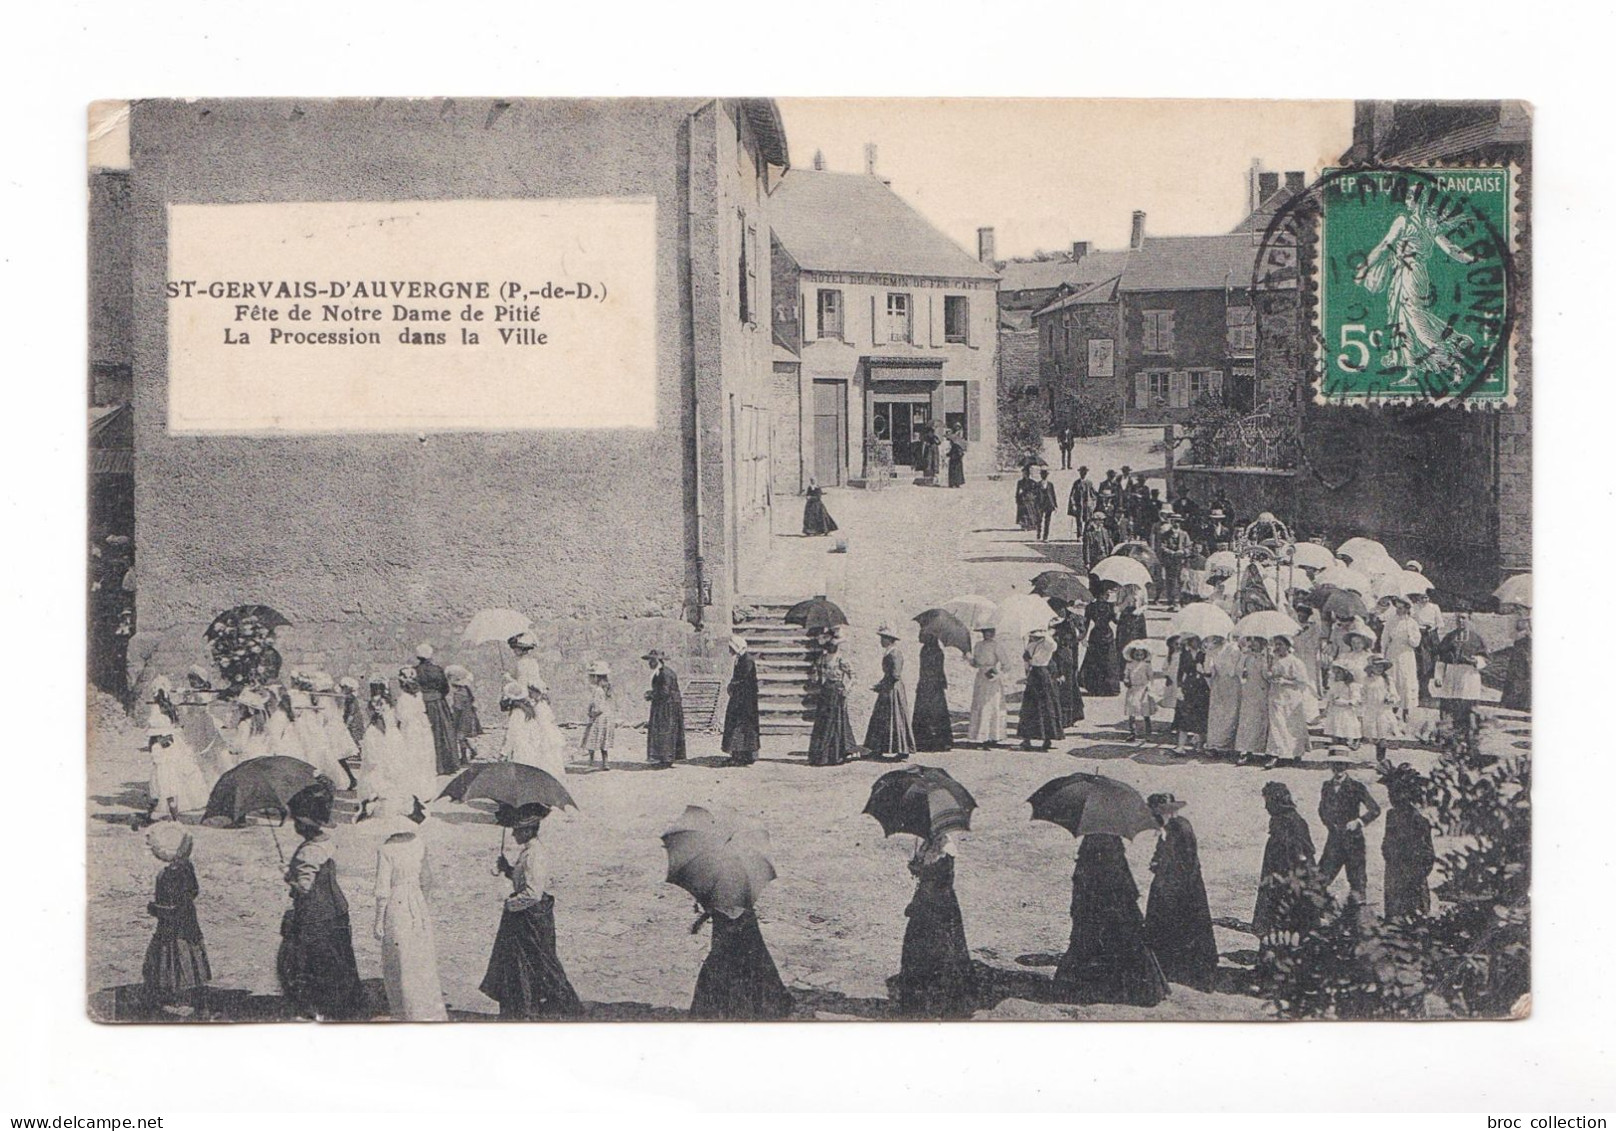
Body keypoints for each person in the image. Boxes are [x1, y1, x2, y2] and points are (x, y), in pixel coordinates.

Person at [479, 804, 583, 1019]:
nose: (514, 834)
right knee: (520, 963)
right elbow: (523, 881)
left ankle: (556, 1007)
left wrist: (510, 904)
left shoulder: (535, 855)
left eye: (517, 830)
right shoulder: (528, 851)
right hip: (526, 914)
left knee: (539, 962)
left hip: (531, 917)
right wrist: (508, 869)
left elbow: (533, 893)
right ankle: (524, 1008)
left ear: (527, 831)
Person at [276, 782, 366, 1020]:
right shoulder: (327, 842)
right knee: (339, 956)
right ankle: (345, 1001)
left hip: (314, 915)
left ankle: (317, 1005)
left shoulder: (307, 852)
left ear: (304, 824)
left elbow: (304, 887)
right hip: (336, 909)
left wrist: (289, 875)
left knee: (310, 959)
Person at [1051, 834, 1170, 1007]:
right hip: (1115, 905)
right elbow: (1122, 876)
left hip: (1097, 906)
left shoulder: (1091, 842)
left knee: (1091, 943)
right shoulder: (1112, 841)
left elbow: (1083, 877)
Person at [372, 798, 447, 1021]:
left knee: (399, 957)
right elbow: (428, 879)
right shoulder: (418, 843)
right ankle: (425, 1007)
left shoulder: (386, 849)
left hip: (397, 903)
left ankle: (404, 1010)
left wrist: (377, 920)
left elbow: (382, 889)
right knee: (419, 955)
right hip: (416, 899)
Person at [893, 832, 977, 1018]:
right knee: (916, 951)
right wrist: (915, 866)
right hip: (926, 904)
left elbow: (941, 878)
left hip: (938, 906)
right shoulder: (926, 844)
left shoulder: (946, 850)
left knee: (940, 952)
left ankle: (941, 1001)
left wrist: (921, 870)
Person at [1142, 794, 1218, 992]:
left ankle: (1187, 969)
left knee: (1184, 925)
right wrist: (1157, 862)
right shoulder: (1168, 828)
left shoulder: (1181, 828)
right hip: (1169, 884)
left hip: (1182, 887)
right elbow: (1164, 852)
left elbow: (1187, 861)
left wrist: (1171, 880)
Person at [141, 823, 210, 1016]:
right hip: (188, 920)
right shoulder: (187, 867)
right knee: (188, 955)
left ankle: (178, 999)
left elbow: (169, 905)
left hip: (171, 924)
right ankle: (188, 994)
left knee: (172, 958)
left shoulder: (167, 874)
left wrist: (155, 909)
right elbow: (193, 892)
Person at [688, 901, 793, 1021]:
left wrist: (702, 918)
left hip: (731, 919)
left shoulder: (720, 894)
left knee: (729, 961)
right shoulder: (741, 892)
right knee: (750, 959)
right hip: (737, 917)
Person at [1252, 781, 1323, 944]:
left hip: (1288, 878)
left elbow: (1305, 854)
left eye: (1268, 802)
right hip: (1276, 876)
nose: (1266, 807)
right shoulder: (1278, 819)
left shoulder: (1295, 822)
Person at [1317, 750, 1382, 905]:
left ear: (1347, 766)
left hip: (1354, 841)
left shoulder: (1357, 787)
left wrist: (1358, 822)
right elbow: (1321, 809)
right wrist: (1329, 824)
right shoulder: (1326, 786)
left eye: (1342, 765)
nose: (1338, 768)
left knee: (1357, 881)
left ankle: (1360, 920)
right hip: (1334, 840)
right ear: (1330, 766)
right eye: (1335, 765)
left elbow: (1375, 809)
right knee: (1321, 878)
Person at [143, 683, 212, 824]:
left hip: (162, 754)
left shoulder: (156, 711)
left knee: (159, 784)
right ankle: (171, 816)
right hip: (172, 751)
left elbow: (154, 741)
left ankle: (161, 814)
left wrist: (154, 744)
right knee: (170, 784)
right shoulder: (170, 709)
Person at [1380, 764, 1435, 920]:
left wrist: (1416, 875)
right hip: (1393, 877)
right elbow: (1387, 842)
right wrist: (1389, 856)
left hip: (1413, 879)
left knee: (1414, 919)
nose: (1392, 798)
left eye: (1397, 793)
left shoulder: (1419, 821)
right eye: (1390, 793)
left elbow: (1428, 854)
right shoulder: (1391, 816)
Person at [1434, 604, 1489, 743]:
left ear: (1469, 619)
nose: (1460, 621)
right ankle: (1448, 739)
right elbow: (1440, 659)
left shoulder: (1476, 638)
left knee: (1467, 708)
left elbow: (1485, 658)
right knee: (1449, 707)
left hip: (1469, 676)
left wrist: (1475, 660)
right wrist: (1438, 676)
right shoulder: (1449, 637)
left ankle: (1467, 740)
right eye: (1458, 618)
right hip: (1452, 675)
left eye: (1464, 618)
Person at [807, 629, 858, 766]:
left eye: (833, 645)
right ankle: (822, 755)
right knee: (823, 723)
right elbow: (815, 676)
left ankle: (837, 754)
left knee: (836, 722)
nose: (831, 647)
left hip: (837, 691)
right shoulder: (822, 658)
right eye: (829, 645)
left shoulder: (842, 659)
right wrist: (814, 676)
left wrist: (847, 689)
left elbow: (853, 676)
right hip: (825, 692)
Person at [865, 625, 917, 760]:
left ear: (889, 639)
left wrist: (881, 686)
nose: (881, 641)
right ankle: (878, 748)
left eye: (883, 638)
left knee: (896, 717)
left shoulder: (895, 653)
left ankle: (902, 750)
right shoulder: (889, 652)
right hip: (888, 688)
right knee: (882, 718)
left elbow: (895, 675)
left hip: (893, 689)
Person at [410, 644, 459, 777]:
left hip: (420, 704)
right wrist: (437, 697)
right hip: (437, 704)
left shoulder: (414, 671)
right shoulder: (437, 670)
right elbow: (445, 688)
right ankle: (444, 765)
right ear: (430, 655)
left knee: (422, 734)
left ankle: (424, 766)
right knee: (441, 734)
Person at [394, 667, 443, 797]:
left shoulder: (403, 698)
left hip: (410, 729)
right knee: (424, 757)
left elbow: (401, 716)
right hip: (422, 727)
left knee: (411, 756)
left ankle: (413, 790)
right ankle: (425, 790)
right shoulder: (418, 694)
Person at [1264, 635, 1312, 768]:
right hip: (1276, 695)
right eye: (1275, 645)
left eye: (1280, 644)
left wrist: (1285, 681)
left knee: (1292, 725)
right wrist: (1269, 676)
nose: (1277, 647)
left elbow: (1303, 682)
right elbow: (1270, 675)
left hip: (1291, 697)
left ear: (1287, 645)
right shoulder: (1272, 660)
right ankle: (1275, 754)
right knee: (1276, 724)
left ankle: (1295, 753)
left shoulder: (1295, 661)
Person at [1018, 626, 1063, 752]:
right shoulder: (1030, 646)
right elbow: (1027, 663)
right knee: (1031, 706)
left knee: (1045, 704)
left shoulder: (1047, 644)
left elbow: (1053, 646)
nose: (1034, 637)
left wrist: (1046, 635)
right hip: (1034, 674)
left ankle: (1047, 738)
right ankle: (1027, 739)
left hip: (1043, 673)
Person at [1379, 596, 1423, 723]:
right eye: (1396, 608)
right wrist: (1384, 653)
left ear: (1406, 608)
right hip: (1393, 653)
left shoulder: (1412, 623)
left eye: (1401, 608)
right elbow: (1385, 638)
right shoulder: (1391, 621)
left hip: (1406, 654)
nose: (1398, 610)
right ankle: (1393, 708)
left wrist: (1410, 636)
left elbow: (1416, 643)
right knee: (1393, 679)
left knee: (1406, 680)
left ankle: (1406, 709)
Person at [643, 649, 688, 768]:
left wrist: (651, 695)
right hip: (663, 705)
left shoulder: (666, 673)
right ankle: (662, 758)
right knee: (663, 731)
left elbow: (665, 691)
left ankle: (667, 759)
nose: (650, 663)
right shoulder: (660, 672)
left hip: (668, 706)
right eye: (649, 660)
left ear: (658, 660)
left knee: (666, 731)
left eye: (652, 660)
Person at [967, 625, 1009, 748]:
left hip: (992, 679)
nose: (988, 634)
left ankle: (993, 736)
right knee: (980, 704)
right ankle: (980, 735)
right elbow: (975, 663)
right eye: (985, 632)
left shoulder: (997, 645)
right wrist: (969, 658)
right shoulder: (978, 645)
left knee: (992, 705)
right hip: (981, 678)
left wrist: (997, 674)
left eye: (991, 631)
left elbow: (1007, 665)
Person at [911, 632, 954, 752]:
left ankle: (933, 742)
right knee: (930, 713)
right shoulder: (927, 650)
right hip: (929, 684)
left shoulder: (934, 651)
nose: (920, 637)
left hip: (932, 685)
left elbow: (937, 669)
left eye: (923, 635)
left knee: (933, 713)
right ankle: (928, 741)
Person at [721, 637, 760, 767]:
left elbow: (746, 681)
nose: (730, 651)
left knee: (741, 727)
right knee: (736, 725)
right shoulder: (740, 659)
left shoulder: (747, 660)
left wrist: (733, 685)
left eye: (731, 648)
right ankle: (738, 754)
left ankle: (741, 756)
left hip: (745, 700)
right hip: (739, 697)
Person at [1078, 582, 1120, 696]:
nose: (1108, 596)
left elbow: (1085, 624)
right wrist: (1117, 612)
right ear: (1100, 594)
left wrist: (1082, 637)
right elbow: (1116, 622)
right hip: (1106, 634)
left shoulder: (1091, 607)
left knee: (1096, 662)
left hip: (1096, 634)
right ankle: (1108, 688)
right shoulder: (1110, 606)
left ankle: (1095, 687)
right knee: (1107, 661)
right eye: (1106, 594)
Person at [1234, 636, 1271, 764]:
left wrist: (1266, 661)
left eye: (1256, 641)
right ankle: (1245, 750)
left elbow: (1267, 675)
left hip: (1263, 690)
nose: (1253, 643)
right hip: (1249, 691)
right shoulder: (1246, 656)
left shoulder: (1267, 657)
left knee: (1262, 719)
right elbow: (1238, 671)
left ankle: (1264, 749)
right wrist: (1242, 670)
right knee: (1248, 719)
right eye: (1251, 640)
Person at [1204, 634, 1243, 756]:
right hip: (1218, 684)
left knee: (1230, 713)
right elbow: (1208, 670)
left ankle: (1226, 744)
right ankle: (1215, 744)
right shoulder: (1213, 650)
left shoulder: (1233, 649)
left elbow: (1233, 670)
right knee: (1217, 714)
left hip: (1232, 684)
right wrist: (1209, 655)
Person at [1171, 636, 1210, 754]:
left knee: (1201, 715)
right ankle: (1180, 746)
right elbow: (1180, 672)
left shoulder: (1204, 654)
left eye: (1198, 640)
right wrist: (1179, 688)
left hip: (1201, 686)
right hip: (1188, 685)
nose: (1196, 643)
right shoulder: (1184, 654)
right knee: (1184, 715)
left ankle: (1200, 744)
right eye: (1194, 640)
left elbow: (1209, 671)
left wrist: (1202, 669)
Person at [1050, 603, 1086, 728]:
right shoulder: (1048, 619)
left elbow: (1082, 634)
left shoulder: (1073, 618)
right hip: (1053, 656)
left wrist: (1076, 638)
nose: (1058, 610)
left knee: (1068, 686)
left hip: (1067, 655)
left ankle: (1068, 718)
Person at [1360, 657, 1403, 762]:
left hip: (1384, 711)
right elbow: (1362, 694)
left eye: (1381, 666)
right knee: (1373, 736)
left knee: (1383, 736)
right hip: (1371, 710)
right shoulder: (1366, 680)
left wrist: (1391, 699)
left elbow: (1395, 695)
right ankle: (1374, 758)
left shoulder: (1388, 680)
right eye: (1376, 666)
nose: (1379, 669)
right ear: (1371, 667)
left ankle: (1381, 759)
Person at [580, 661, 616, 770]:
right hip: (606, 718)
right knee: (603, 741)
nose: (590, 679)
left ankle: (591, 763)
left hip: (598, 718)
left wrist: (592, 714)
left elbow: (598, 707)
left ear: (596, 677)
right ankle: (605, 763)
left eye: (591, 676)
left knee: (592, 739)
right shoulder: (605, 690)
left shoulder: (598, 691)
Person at [1410, 589, 1443, 704]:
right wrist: (1419, 628)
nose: (1424, 600)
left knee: (1431, 662)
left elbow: (1439, 623)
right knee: (1421, 662)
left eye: (1426, 597)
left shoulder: (1434, 607)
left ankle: (1427, 687)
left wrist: (1431, 628)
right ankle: (1420, 689)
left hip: (1431, 637)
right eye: (1422, 597)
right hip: (1419, 636)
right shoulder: (1414, 607)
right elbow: (1411, 622)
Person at [445, 665, 483, 765]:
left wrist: (452, 715)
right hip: (469, 716)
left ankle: (464, 757)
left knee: (461, 737)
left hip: (461, 717)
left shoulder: (458, 694)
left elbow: (458, 708)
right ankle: (473, 750)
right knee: (463, 737)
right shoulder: (466, 689)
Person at [1121, 641, 1157, 741]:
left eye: (1141, 654)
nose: (1139, 656)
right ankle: (1132, 732)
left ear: (1144, 655)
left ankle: (1148, 733)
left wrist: (1149, 687)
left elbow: (1150, 677)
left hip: (1143, 689)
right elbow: (1126, 675)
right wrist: (1126, 680)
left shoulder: (1146, 665)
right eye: (1136, 654)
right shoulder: (1129, 665)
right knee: (1131, 711)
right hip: (1133, 689)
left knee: (1145, 712)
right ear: (1132, 654)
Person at [1157, 511, 1191, 609]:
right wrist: (1170, 552)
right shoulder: (1166, 534)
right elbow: (1162, 546)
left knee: (1181, 581)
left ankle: (1181, 601)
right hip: (1170, 561)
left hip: (1181, 561)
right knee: (1170, 581)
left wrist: (1183, 551)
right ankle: (1171, 602)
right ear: (1171, 522)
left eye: (1178, 522)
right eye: (1174, 522)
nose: (1176, 524)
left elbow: (1189, 547)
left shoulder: (1184, 534)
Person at [1502, 613, 1531, 713]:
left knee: (1526, 678)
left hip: (1527, 653)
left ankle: (1524, 703)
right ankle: (1512, 702)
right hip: (1519, 654)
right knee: (1516, 677)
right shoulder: (1520, 619)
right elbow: (1515, 631)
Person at [1067, 465, 1097, 549]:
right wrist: (1073, 505)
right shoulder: (1076, 483)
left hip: (1087, 505)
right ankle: (1079, 536)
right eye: (1082, 472)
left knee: (1088, 520)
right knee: (1079, 521)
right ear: (1080, 473)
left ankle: (1086, 535)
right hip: (1079, 505)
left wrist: (1093, 503)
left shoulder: (1089, 483)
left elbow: (1094, 494)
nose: (1083, 474)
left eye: (1084, 472)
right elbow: (1072, 495)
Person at [1116, 586, 1148, 658]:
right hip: (1126, 617)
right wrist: (1126, 601)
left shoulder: (1142, 589)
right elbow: (1118, 607)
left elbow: (1146, 604)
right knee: (1125, 642)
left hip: (1138, 617)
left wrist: (1139, 610)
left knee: (1139, 641)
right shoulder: (1123, 589)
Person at [1034, 468, 1058, 541]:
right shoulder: (1037, 484)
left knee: (1047, 521)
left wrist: (1055, 505)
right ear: (1041, 475)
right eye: (1043, 474)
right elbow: (1035, 495)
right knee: (1039, 520)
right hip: (1040, 504)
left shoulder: (1050, 484)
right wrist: (1035, 505)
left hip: (1048, 504)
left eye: (1045, 475)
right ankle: (1038, 535)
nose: (1044, 476)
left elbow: (1053, 495)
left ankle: (1045, 537)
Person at [1014, 466, 1038, 531]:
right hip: (1023, 498)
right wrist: (1017, 498)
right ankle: (1024, 525)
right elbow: (1017, 491)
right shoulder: (1020, 482)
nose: (1024, 474)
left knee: (1031, 511)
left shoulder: (1033, 482)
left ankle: (1032, 524)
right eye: (1023, 473)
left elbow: (1036, 491)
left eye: (1026, 473)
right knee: (1023, 512)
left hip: (1030, 498)